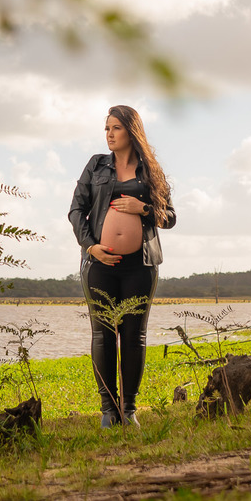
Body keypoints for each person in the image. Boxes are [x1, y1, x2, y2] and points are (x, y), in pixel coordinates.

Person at [69, 105, 176, 428]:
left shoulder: (150, 171)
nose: (109, 134)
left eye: (116, 128)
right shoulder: (96, 166)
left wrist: (143, 207)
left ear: (132, 131)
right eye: (107, 128)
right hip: (99, 263)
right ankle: (108, 411)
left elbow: (169, 217)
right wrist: (92, 246)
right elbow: (76, 210)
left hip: (140, 266)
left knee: (133, 336)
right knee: (102, 335)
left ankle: (128, 410)